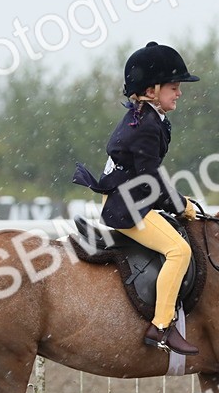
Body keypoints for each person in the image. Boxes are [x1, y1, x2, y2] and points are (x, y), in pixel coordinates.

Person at [72, 41, 201, 356]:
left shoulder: (146, 117)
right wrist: (181, 205)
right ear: (153, 89)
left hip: (132, 198)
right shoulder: (145, 124)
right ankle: (161, 327)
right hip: (127, 207)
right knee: (179, 251)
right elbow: (150, 177)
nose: (179, 92)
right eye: (174, 87)